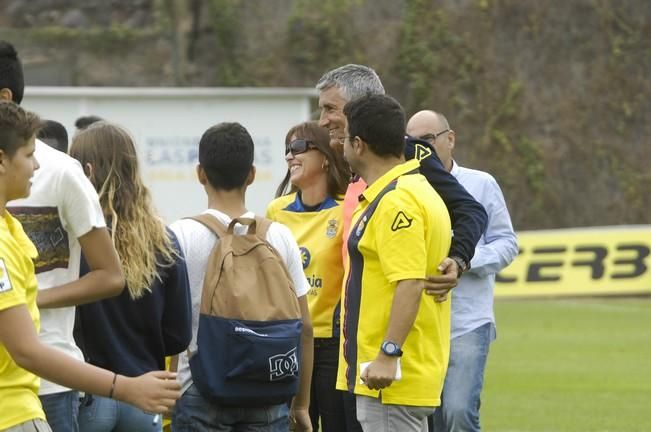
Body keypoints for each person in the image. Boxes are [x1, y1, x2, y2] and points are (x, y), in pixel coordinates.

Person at [0, 100, 181, 432]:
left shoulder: (11, 227)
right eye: (28, 155)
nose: (37, 166)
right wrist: (124, 386)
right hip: (16, 411)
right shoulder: (2, 238)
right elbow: (26, 351)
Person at [1, 40, 127, 432]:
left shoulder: (59, 171)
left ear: (5, 97)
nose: (32, 164)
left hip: (50, 379)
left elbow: (111, 275)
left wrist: (29, 299)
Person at [170, 122, 314, 431]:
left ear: (200, 174)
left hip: (198, 387)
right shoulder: (280, 236)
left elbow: (164, 326)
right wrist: (301, 404)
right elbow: (305, 327)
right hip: (268, 387)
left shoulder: (180, 235)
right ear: (251, 174)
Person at [316, 63, 487, 302]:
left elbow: (470, 210)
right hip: (355, 313)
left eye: (330, 109)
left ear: (362, 106)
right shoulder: (341, 155)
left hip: (399, 316)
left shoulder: (407, 152)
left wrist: (457, 258)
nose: (322, 121)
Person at [337, 93, 452, 432]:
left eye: (345, 138)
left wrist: (388, 354)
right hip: (393, 376)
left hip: (391, 380)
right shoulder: (413, 189)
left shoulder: (396, 201)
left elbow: (410, 281)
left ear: (358, 144)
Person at [69, 121, 193, 432]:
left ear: (87, 171)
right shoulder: (163, 240)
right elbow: (178, 335)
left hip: (87, 393)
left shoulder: (73, 241)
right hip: (144, 395)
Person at [407, 110, 518, 432]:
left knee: (458, 412)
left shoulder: (481, 184)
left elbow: (506, 243)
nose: (421, 148)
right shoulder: (406, 188)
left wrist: (464, 260)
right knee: (428, 418)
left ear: (450, 139)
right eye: (413, 141)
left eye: (427, 139)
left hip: (467, 321)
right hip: (419, 320)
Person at [266, 121, 350, 432]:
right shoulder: (276, 211)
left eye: (298, 147)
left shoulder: (346, 211)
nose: (290, 156)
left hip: (331, 344)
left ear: (326, 156)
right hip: (288, 341)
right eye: (287, 150)